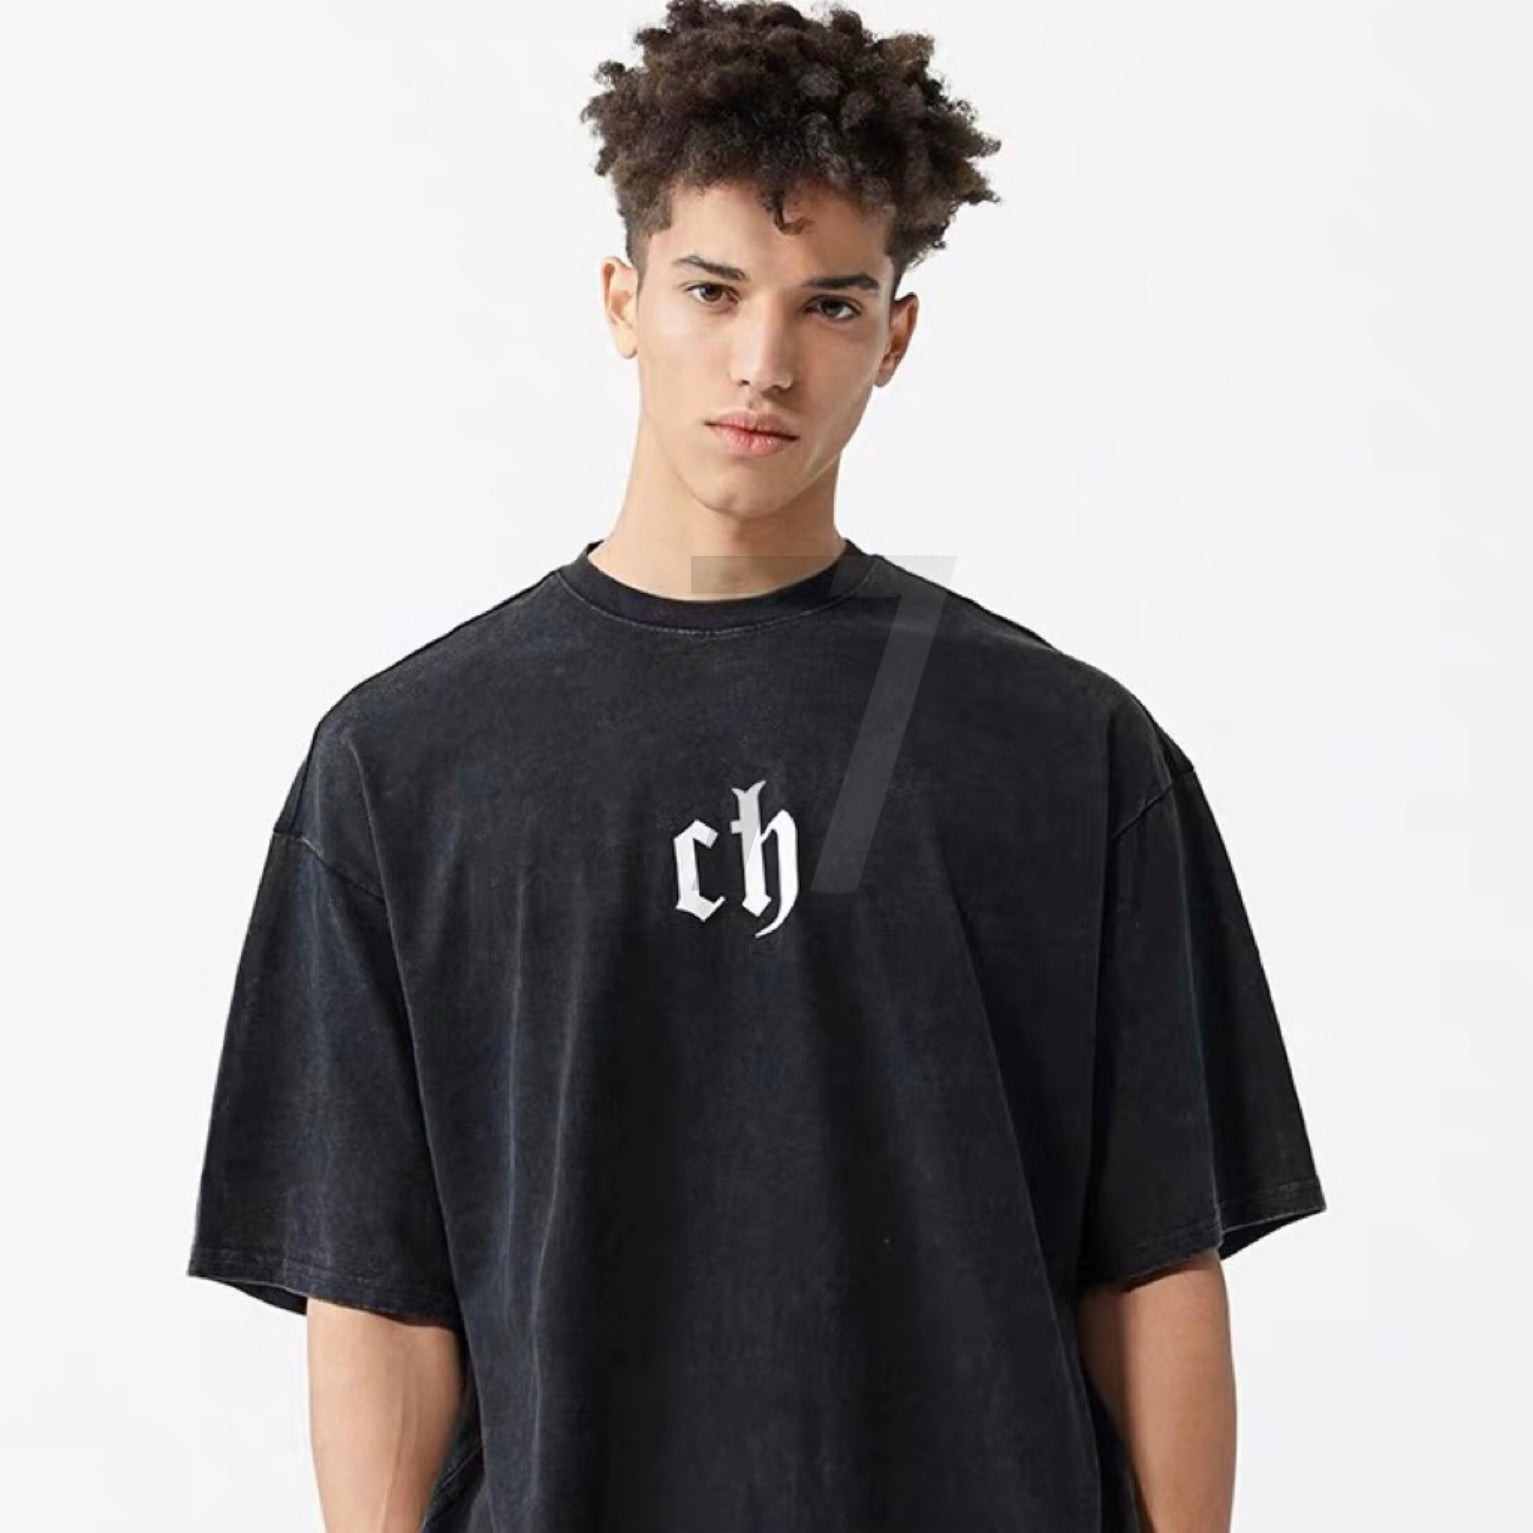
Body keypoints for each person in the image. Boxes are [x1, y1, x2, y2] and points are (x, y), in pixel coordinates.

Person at [185, 3, 1327, 1529]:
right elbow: (378, 1293)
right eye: (711, 290)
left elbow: (1154, 1261)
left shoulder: (1069, 750)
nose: (763, 361)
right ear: (622, 298)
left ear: (894, 335)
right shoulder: (403, 767)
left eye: (829, 305)